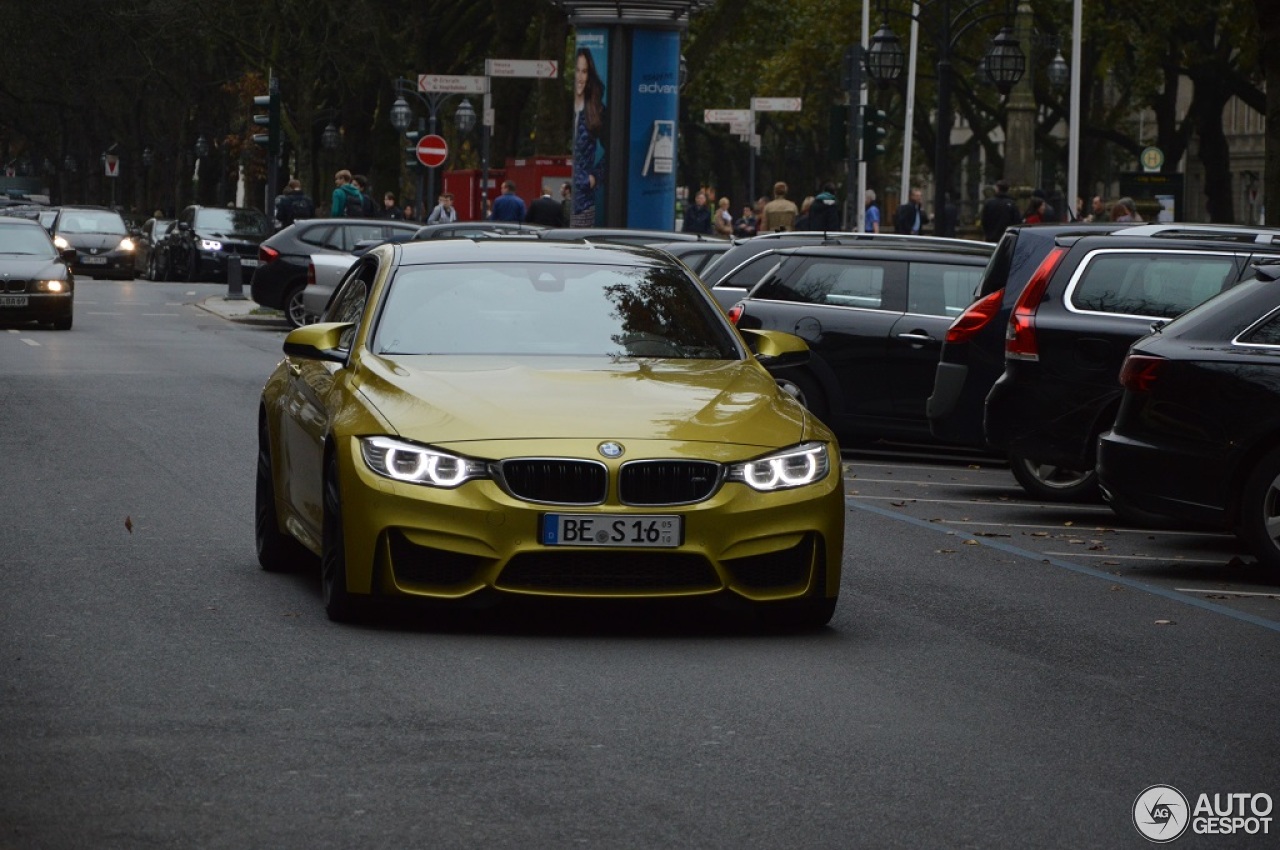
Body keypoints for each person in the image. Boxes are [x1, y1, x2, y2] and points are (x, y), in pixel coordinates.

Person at [572, 47, 607, 227]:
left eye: (584, 71)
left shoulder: (596, 111)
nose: (579, 77)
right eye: (577, 70)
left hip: (583, 204)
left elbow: (613, 150)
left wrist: (593, 177)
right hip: (565, 199)